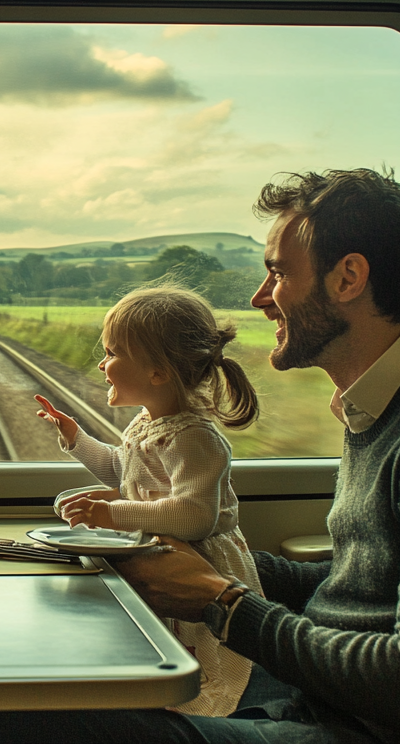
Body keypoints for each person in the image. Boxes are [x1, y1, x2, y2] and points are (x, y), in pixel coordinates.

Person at [0, 169, 400, 744]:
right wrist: (174, 562)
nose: (262, 298)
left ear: (349, 277)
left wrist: (222, 601)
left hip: (353, 725)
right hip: (313, 695)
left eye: (279, 273)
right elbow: (359, 591)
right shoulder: (388, 398)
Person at [33, 284, 262, 717]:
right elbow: (123, 470)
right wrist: (75, 439)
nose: (102, 364)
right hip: (166, 553)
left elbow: (193, 516)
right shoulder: (148, 424)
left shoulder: (194, 437)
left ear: (157, 372)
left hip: (199, 567)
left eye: (113, 353)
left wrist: (110, 513)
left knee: (201, 662)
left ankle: (194, 715)